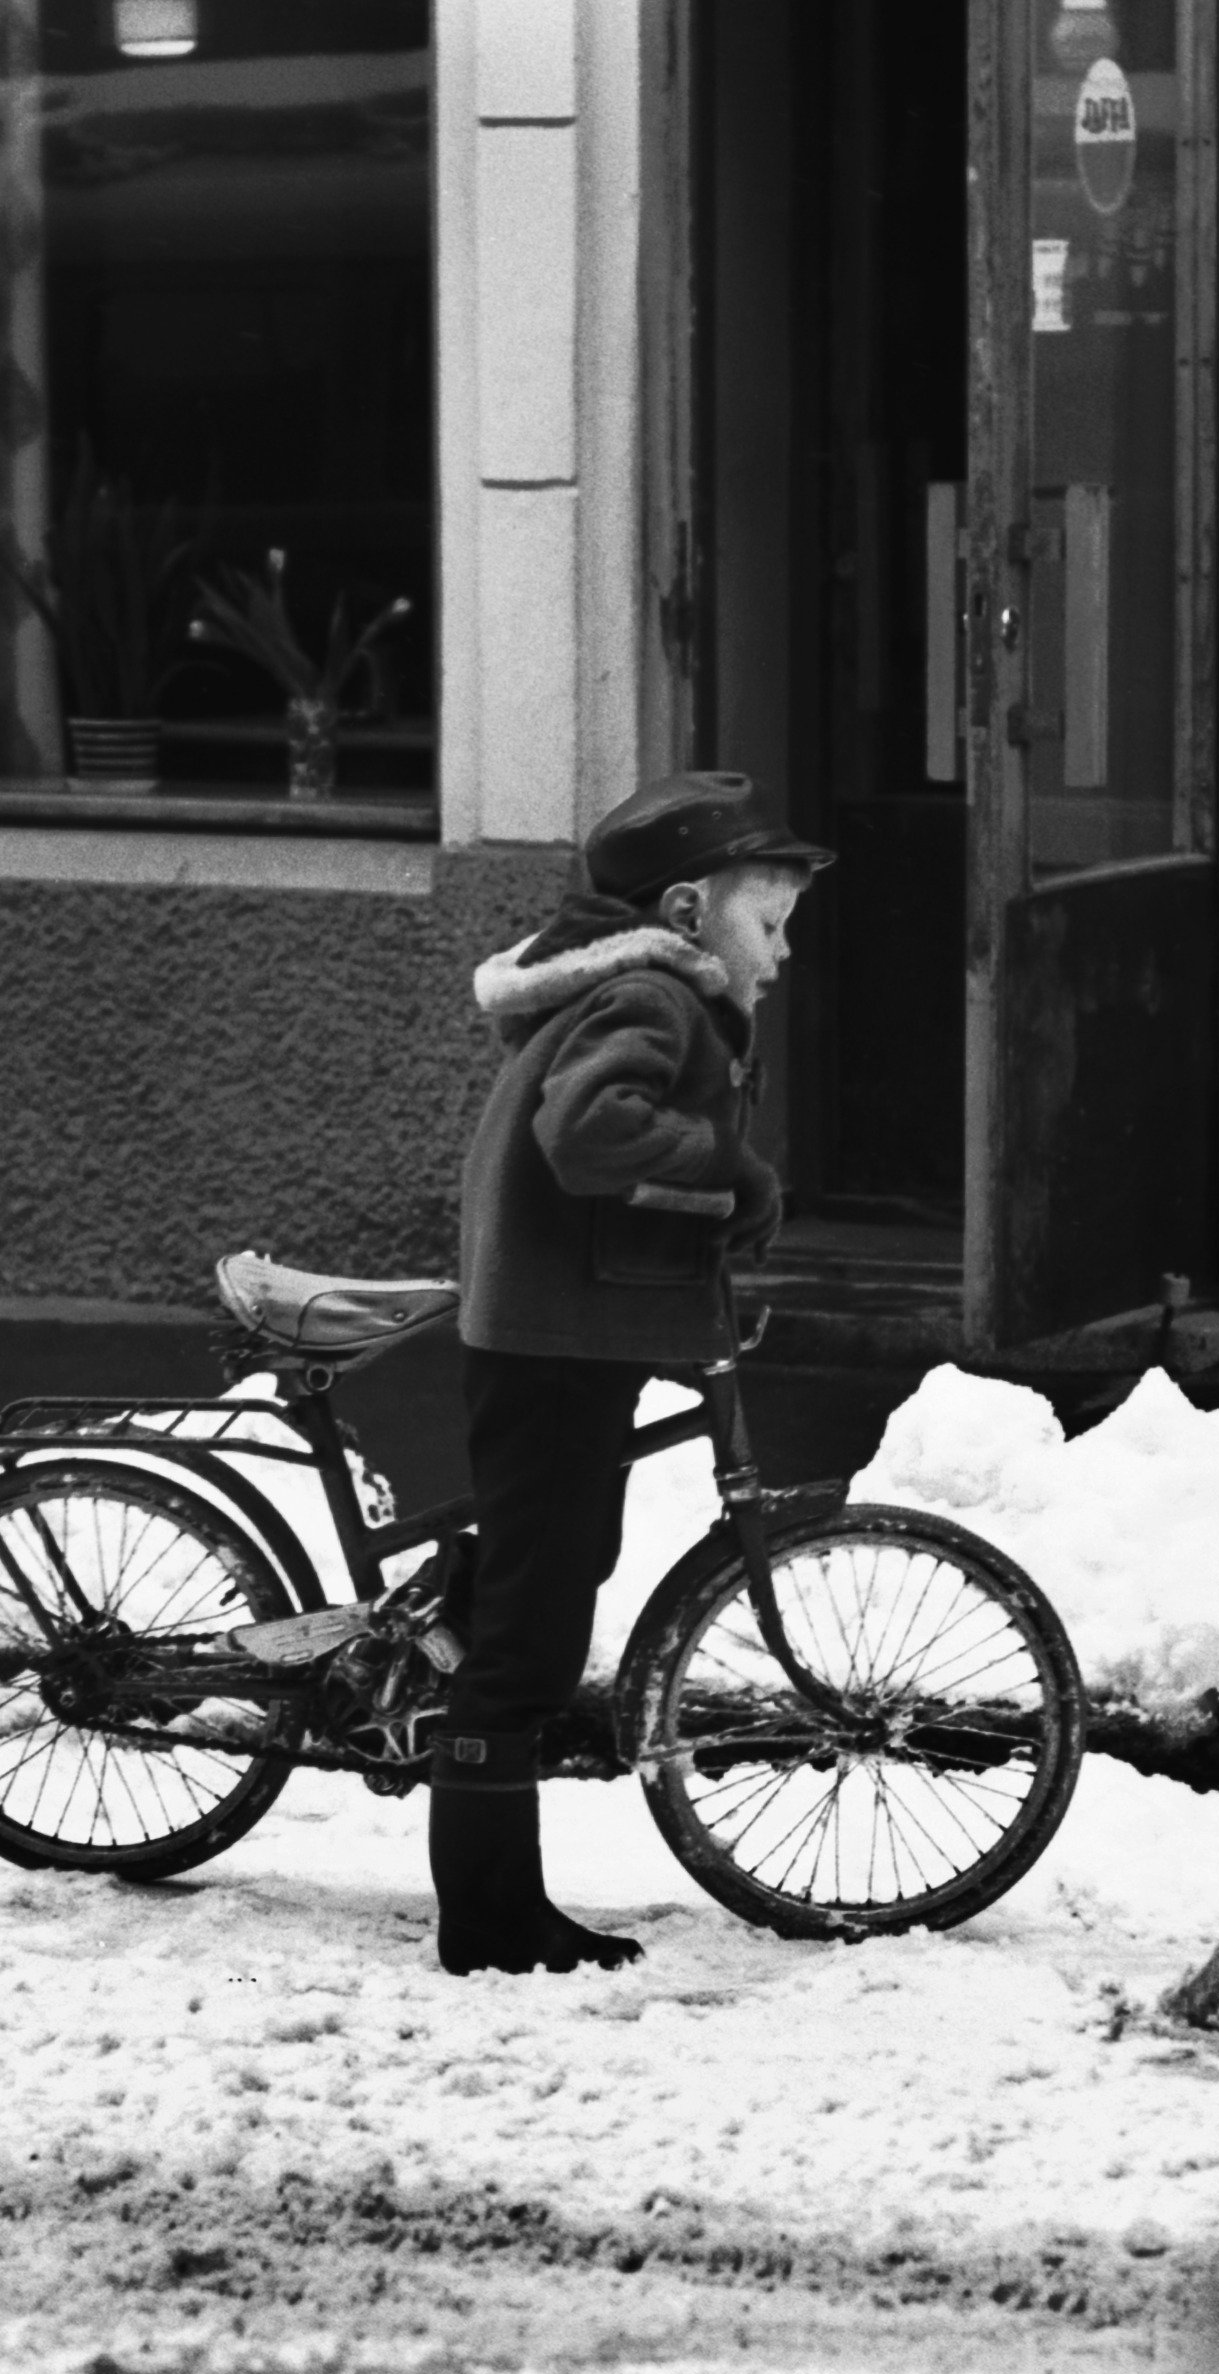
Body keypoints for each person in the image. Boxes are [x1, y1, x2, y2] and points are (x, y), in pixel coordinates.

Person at [433, 769, 830, 1977]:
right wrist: (727, 1169)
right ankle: (490, 1922)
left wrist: (720, 1195)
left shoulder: (637, 988)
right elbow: (586, 1131)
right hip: (557, 1339)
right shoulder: (656, 998)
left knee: (537, 1584)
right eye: (767, 924)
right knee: (528, 1637)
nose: (779, 953)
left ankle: (496, 1874)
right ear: (685, 908)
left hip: (561, 1331)